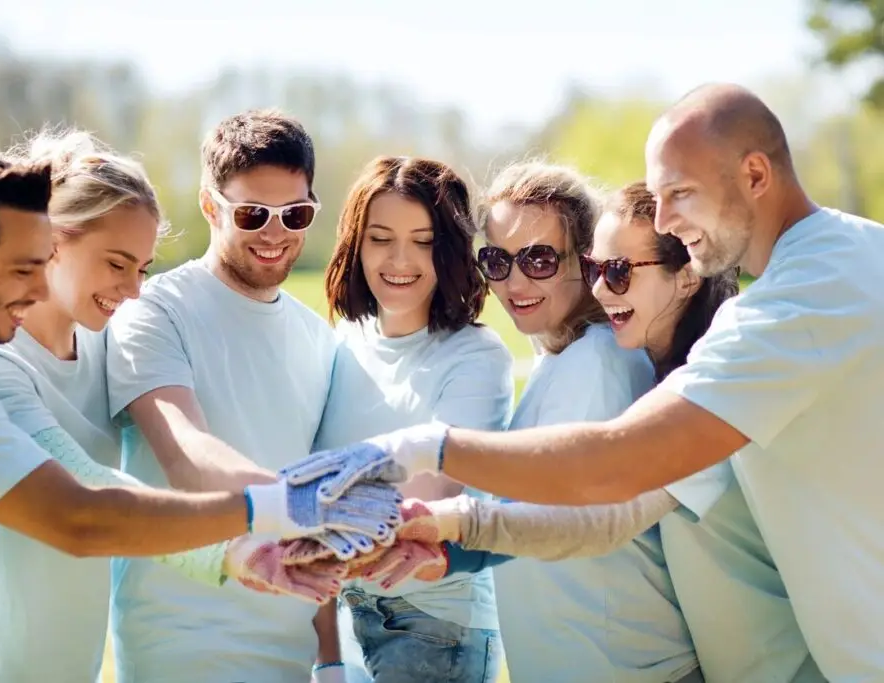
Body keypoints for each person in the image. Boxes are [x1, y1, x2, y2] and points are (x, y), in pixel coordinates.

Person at [284, 83, 884, 681]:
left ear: (755, 173)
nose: (668, 219)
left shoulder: (791, 305)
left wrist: (424, 451)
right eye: (498, 260)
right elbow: (608, 517)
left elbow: (611, 470)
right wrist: (459, 534)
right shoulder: (827, 272)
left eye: (679, 194)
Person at [0, 146, 398, 683]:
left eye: (141, 268)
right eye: (24, 267)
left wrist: (246, 551)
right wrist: (276, 513)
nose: (36, 284)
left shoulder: (95, 347)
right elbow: (85, 506)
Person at [380, 182, 824, 683]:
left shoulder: (644, 375)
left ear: (687, 276)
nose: (598, 289)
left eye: (542, 259)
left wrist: (437, 480)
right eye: (497, 262)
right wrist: (453, 548)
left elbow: (590, 518)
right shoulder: (620, 366)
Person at [376, 160, 698, 682]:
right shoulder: (564, 357)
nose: (516, 281)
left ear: (586, 260)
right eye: (497, 261)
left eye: (541, 259)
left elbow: (562, 512)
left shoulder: (599, 360)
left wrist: (439, 496)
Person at [104, 109, 358, 682]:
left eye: (295, 214)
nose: (276, 232)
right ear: (209, 206)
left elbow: (312, 478)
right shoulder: (153, 311)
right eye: (252, 213)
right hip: (180, 649)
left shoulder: (317, 336)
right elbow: (185, 453)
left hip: (290, 655)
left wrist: (333, 660)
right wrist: (305, 509)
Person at [310, 156, 513, 683]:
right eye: (381, 238)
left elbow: (426, 501)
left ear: (449, 250)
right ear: (356, 244)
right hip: (342, 619)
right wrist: (327, 656)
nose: (401, 259)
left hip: (434, 628)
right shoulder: (340, 345)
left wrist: (300, 510)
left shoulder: (476, 356)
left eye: (423, 241)